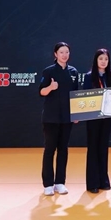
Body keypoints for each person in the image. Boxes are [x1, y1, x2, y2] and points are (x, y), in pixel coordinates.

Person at [38, 42, 79, 196]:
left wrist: (76, 114)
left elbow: (76, 95)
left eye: (67, 52)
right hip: (51, 117)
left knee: (63, 150)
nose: (64, 55)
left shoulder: (73, 72)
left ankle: (60, 183)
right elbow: (41, 92)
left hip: (67, 118)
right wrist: (51, 87)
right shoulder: (48, 71)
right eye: (61, 52)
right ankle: (48, 184)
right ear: (55, 54)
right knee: (50, 150)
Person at [83, 48, 111, 194]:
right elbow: (84, 97)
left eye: (106, 59)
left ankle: (104, 180)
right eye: (101, 59)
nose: (103, 61)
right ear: (96, 60)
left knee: (103, 147)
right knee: (93, 148)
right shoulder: (89, 76)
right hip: (93, 118)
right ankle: (92, 183)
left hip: (106, 118)